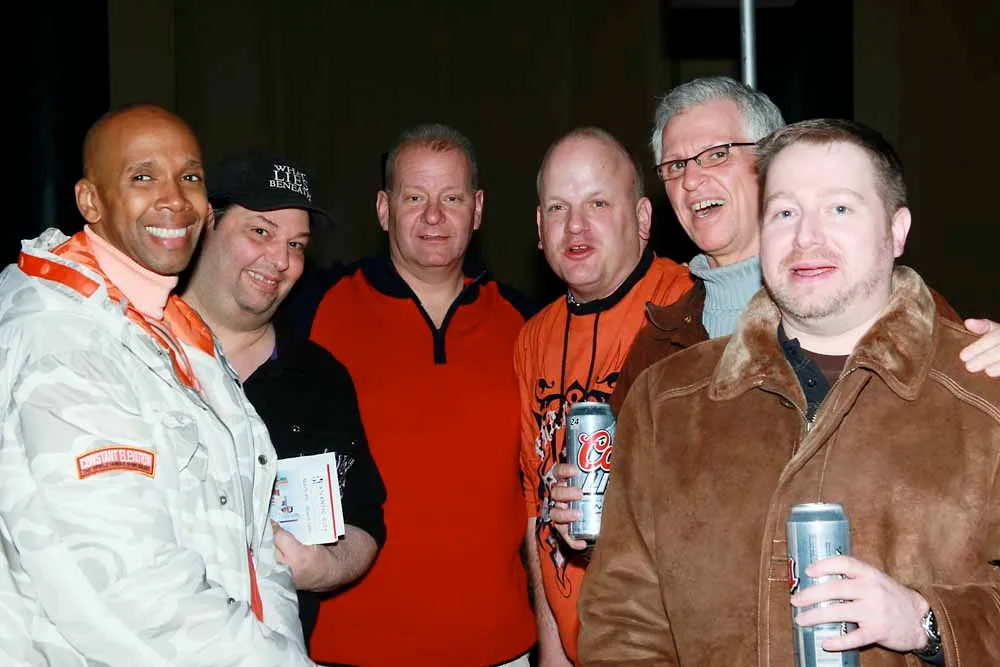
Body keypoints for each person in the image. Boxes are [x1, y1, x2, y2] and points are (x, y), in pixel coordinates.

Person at [578, 118, 999, 666]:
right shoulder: (668, 400)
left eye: (840, 208)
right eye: (784, 212)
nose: (806, 238)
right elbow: (623, 623)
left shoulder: (983, 394)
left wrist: (928, 622)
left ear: (897, 231)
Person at [0, 105, 312, 666]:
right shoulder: (63, 341)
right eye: (142, 177)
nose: (174, 199)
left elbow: (253, 544)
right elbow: (129, 589)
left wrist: (284, 650)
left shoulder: (170, 326)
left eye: (189, 176)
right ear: (90, 201)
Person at [611, 76, 999, 411]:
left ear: (773, 162)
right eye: (676, 165)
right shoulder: (658, 344)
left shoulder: (902, 310)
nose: (691, 180)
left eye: (717, 155)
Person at [301, 124, 537, 666]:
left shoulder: (527, 324)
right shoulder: (313, 311)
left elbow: (540, 500)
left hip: (498, 648)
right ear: (384, 209)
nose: (433, 217)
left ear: (477, 209)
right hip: (348, 649)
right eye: (414, 198)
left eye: (451, 198)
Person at [181, 152, 386, 646]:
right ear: (206, 224)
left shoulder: (319, 378)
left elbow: (364, 520)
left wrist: (321, 566)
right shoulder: (137, 353)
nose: (280, 260)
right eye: (261, 232)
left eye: (296, 244)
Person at [516, 127, 692, 665]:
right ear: (539, 228)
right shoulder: (532, 338)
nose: (576, 226)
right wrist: (553, 654)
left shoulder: (689, 306)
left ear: (642, 218)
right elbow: (536, 509)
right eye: (558, 207)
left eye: (597, 203)